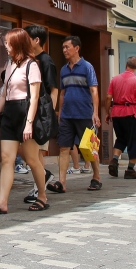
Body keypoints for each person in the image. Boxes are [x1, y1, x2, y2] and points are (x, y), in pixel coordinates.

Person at [0, 29, 50, 213]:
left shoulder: (32, 66)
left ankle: (42, 196)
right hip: (10, 113)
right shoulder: (10, 64)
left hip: (25, 113)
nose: (5, 46)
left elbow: (34, 98)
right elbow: (4, 94)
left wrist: (28, 123)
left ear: (17, 43)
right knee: (6, 159)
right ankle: (2, 202)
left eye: (8, 42)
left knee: (31, 159)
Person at [48, 36, 102, 193]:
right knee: (64, 148)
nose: (64, 50)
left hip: (85, 114)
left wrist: (95, 113)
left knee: (89, 148)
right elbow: (62, 93)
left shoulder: (87, 67)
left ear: (76, 48)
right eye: (63, 47)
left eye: (67, 47)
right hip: (67, 116)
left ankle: (96, 177)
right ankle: (62, 183)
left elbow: (94, 90)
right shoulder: (64, 69)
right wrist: (59, 112)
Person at [23, 25, 59, 204]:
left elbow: (54, 90)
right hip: (30, 112)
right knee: (32, 153)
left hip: (40, 114)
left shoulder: (46, 61)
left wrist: (48, 113)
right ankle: (42, 180)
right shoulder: (29, 59)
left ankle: (39, 188)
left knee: (37, 153)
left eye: (26, 37)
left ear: (36, 40)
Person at [105, 56, 136, 179]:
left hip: (116, 113)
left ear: (125, 65)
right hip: (130, 114)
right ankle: (130, 170)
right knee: (135, 141)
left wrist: (108, 112)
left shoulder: (115, 80)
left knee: (121, 139)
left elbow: (108, 98)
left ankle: (114, 160)